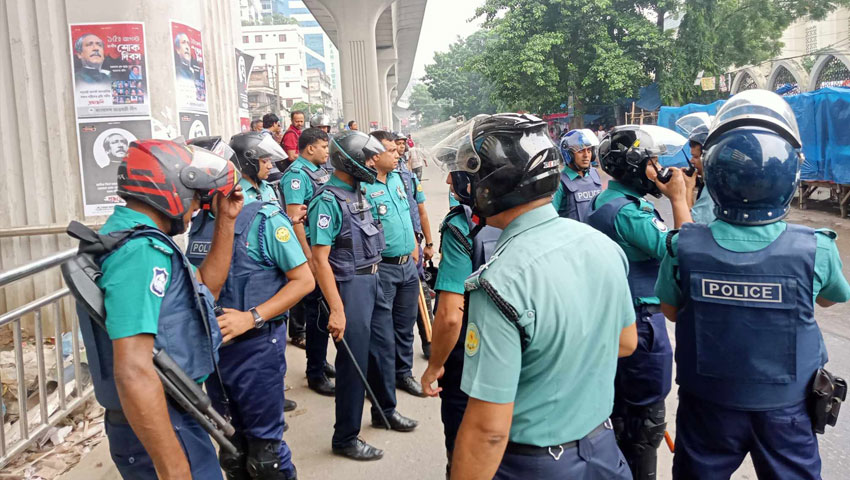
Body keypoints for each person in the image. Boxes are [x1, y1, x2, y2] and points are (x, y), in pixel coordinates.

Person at [655, 89, 850, 479]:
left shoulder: (682, 247)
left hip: (707, 408)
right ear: (790, 175)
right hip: (787, 413)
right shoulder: (816, 248)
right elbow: (831, 299)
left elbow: (671, 311)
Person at [443, 113, 636, 480]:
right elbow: (626, 342)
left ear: (494, 183)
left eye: (470, 169)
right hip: (603, 452)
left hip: (534, 465)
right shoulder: (600, 245)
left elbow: (488, 431)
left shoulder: (499, 283)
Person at [74, 139, 243, 479]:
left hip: (175, 411)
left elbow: (205, 287)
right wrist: (174, 467)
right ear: (170, 189)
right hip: (165, 418)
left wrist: (226, 221)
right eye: (194, 195)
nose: (197, 206)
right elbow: (134, 369)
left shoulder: (138, 238)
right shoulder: (140, 253)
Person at [186, 135, 313, 480]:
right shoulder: (199, 222)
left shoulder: (264, 218)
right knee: (232, 451)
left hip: (256, 349)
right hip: (214, 352)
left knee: (266, 457)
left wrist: (253, 317)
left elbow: (304, 280)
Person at [586, 124, 693, 480]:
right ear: (633, 167)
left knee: (621, 414)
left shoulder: (608, 200)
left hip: (620, 316)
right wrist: (678, 200)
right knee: (645, 423)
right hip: (642, 323)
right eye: (651, 162)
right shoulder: (630, 213)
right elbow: (686, 253)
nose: (658, 169)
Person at [307, 130, 417, 461]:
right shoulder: (328, 200)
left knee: (382, 350)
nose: (373, 162)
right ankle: (346, 437)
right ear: (349, 160)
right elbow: (320, 260)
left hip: (374, 279)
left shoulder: (359, 192)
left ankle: (385, 411)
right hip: (350, 287)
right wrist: (337, 309)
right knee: (353, 363)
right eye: (368, 158)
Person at [420, 139, 503, 477]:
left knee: (465, 446)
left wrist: (434, 366)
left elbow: (451, 315)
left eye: (453, 173)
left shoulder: (461, 225)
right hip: (519, 351)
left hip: (471, 354)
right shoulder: (527, 217)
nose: (447, 181)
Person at [363, 131, 424, 397]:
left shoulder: (399, 178)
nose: (397, 153)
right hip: (383, 268)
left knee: (405, 326)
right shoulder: (363, 186)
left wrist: (415, 244)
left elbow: (408, 213)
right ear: (374, 156)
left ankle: (403, 374)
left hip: (407, 265)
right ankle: (380, 383)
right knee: (381, 332)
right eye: (390, 150)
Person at [280, 128, 335, 396]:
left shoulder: (318, 171)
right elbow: (295, 220)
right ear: (310, 148)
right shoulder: (296, 175)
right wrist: (309, 258)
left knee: (323, 311)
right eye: (323, 146)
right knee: (316, 313)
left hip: (321, 247)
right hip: (311, 251)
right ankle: (315, 372)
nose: (327, 151)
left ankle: (320, 360)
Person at [394, 131, 435, 362]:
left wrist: (428, 243)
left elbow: (421, 211)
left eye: (401, 145)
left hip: (414, 245)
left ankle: (429, 339)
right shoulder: (370, 181)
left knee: (421, 291)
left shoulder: (408, 176)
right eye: (394, 146)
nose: (398, 150)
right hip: (392, 252)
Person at [552, 128, 603, 222]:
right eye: (580, 151)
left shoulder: (594, 174)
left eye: (589, 150)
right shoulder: (559, 182)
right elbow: (551, 218)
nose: (586, 155)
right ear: (569, 154)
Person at [686, 123, 716, 224]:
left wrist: (688, 189)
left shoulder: (710, 192)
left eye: (695, 157)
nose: (691, 161)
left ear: (708, 157)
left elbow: (691, 226)